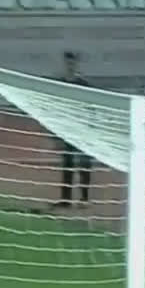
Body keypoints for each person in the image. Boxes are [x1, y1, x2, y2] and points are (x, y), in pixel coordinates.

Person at [54, 51, 93, 208]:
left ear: (76, 64)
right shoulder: (60, 85)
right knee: (67, 163)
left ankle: (84, 198)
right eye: (67, 63)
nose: (70, 66)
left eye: (72, 63)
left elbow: (90, 107)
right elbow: (56, 107)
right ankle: (66, 199)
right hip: (66, 128)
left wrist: (89, 126)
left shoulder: (83, 85)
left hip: (81, 129)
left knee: (84, 164)